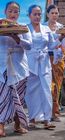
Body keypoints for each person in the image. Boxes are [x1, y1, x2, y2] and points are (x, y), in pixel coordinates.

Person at [25, 5, 60, 129]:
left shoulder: (46, 29)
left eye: (39, 14)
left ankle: (47, 119)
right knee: (31, 91)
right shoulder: (25, 29)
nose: (37, 16)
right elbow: (24, 45)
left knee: (46, 90)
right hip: (31, 62)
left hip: (45, 62)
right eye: (34, 14)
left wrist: (64, 36)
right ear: (29, 15)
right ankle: (32, 118)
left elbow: (53, 45)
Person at [0, 1, 32, 137]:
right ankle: (0, 126)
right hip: (3, 67)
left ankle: (18, 124)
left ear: (19, 13)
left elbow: (29, 46)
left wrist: (16, 37)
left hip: (20, 68)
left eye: (16, 11)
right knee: (3, 97)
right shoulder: (1, 24)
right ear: (5, 12)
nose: (13, 14)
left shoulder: (23, 28)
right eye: (10, 11)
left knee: (19, 97)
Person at [44, 4, 65, 121]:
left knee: (57, 86)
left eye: (56, 13)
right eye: (52, 13)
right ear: (47, 14)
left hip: (58, 59)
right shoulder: (42, 27)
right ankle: (44, 112)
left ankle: (55, 113)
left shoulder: (62, 27)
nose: (54, 15)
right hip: (44, 58)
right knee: (46, 86)